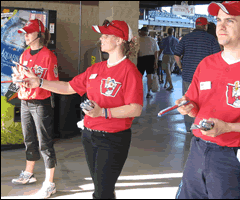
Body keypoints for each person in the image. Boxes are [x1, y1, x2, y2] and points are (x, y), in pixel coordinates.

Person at [19, 20, 143, 199]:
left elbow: (135, 108)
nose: (101, 38)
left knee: (102, 191)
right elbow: (68, 87)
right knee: (101, 186)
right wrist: (39, 82)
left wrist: (103, 112)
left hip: (112, 139)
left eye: (106, 35)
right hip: (89, 136)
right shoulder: (96, 68)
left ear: (119, 40)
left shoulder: (130, 72)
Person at [175, 2, 240, 199]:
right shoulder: (206, 64)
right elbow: (193, 104)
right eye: (218, 20)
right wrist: (187, 107)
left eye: (230, 21)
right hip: (197, 150)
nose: (221, 27)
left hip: (231, 156)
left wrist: (228, 127)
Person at [11, 19, 59, 199]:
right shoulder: (24, 54)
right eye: (25, 33)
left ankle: (50, 183)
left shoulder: (48, 55)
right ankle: (29, 173)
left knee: (45, 142)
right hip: (25, 101)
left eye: (29, 33)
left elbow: (55, 84)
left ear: (39, 34)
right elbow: (22, 76)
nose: (26, 36)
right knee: (28, 138)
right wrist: (18, 78)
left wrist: (37, 81)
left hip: (41, 103)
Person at [174, 17, 221, 133]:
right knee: (205, 102)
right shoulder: (211, 39)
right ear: (205, 26)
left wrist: (181, 67)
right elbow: (218, 58)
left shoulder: (186, 38)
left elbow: (176, 55)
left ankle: (189, 128)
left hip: (188, 75)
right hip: (206, 78)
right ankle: (202, 126)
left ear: (196, 25)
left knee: (186, 102)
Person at [137, 27, 160, 98]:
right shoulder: (153, 40)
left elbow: (136, 52)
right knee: (149, 76)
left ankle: (138, 91)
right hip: (150, 59)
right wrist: (156, 62)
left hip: (141, 59)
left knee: (139, 76)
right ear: (147, 32)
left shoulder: (138, 40)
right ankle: (148, 92)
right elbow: (156, 52)